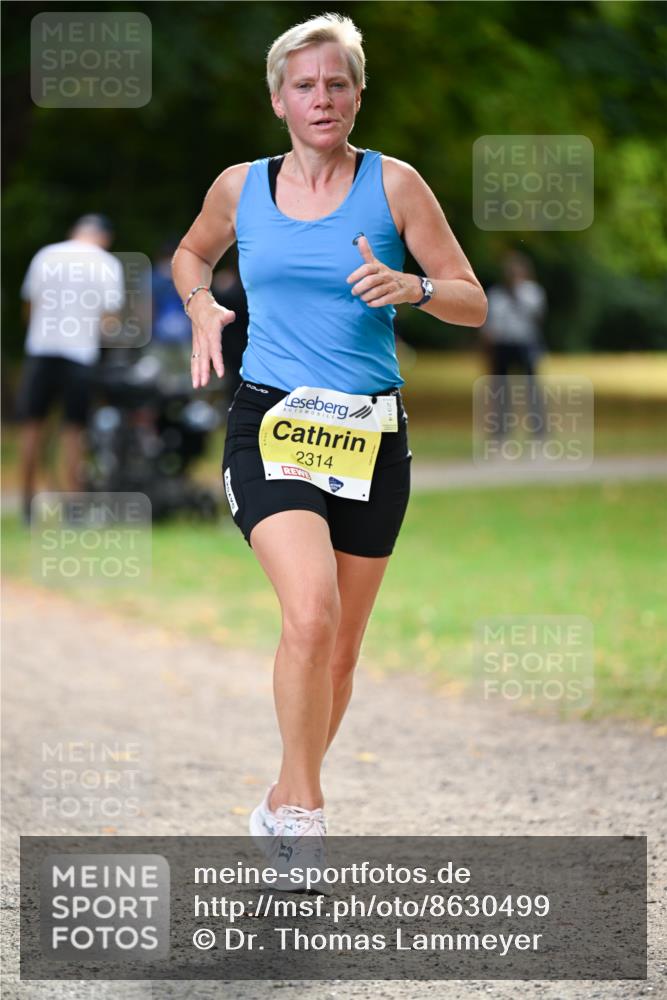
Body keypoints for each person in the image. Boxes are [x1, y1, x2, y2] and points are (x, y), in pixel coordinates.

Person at [172, 13, 486, 882]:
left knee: (339, 647)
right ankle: (304, 817)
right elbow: (192, 254)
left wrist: (415, 287)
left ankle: (279, 799)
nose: (322, 98)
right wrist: (200, 303)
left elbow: (471, 300)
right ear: (278, 99)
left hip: (371, 433)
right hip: (271, 422)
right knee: (308, 614)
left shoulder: (396, 187)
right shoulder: (242, 187)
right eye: (305, 85)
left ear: (356, 96)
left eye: (337, 83)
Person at [15, 214, 124, 523]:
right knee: (73, 431)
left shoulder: (46, 255)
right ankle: (73, 509)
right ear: (104, 237)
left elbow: (29, 308)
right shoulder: (106, 264)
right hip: (79, 355)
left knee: (32, 428)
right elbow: (109, 320)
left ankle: (27, 505)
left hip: (40, 351)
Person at [482, 250, 547, 441]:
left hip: (525, 343)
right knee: (501, 392)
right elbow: (489, 326)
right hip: (502, 346)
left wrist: (517, 297)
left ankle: (539, 433)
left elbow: (538, 318)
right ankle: (500, 434)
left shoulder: (532, 293)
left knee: (531, 389)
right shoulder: (496, 295)